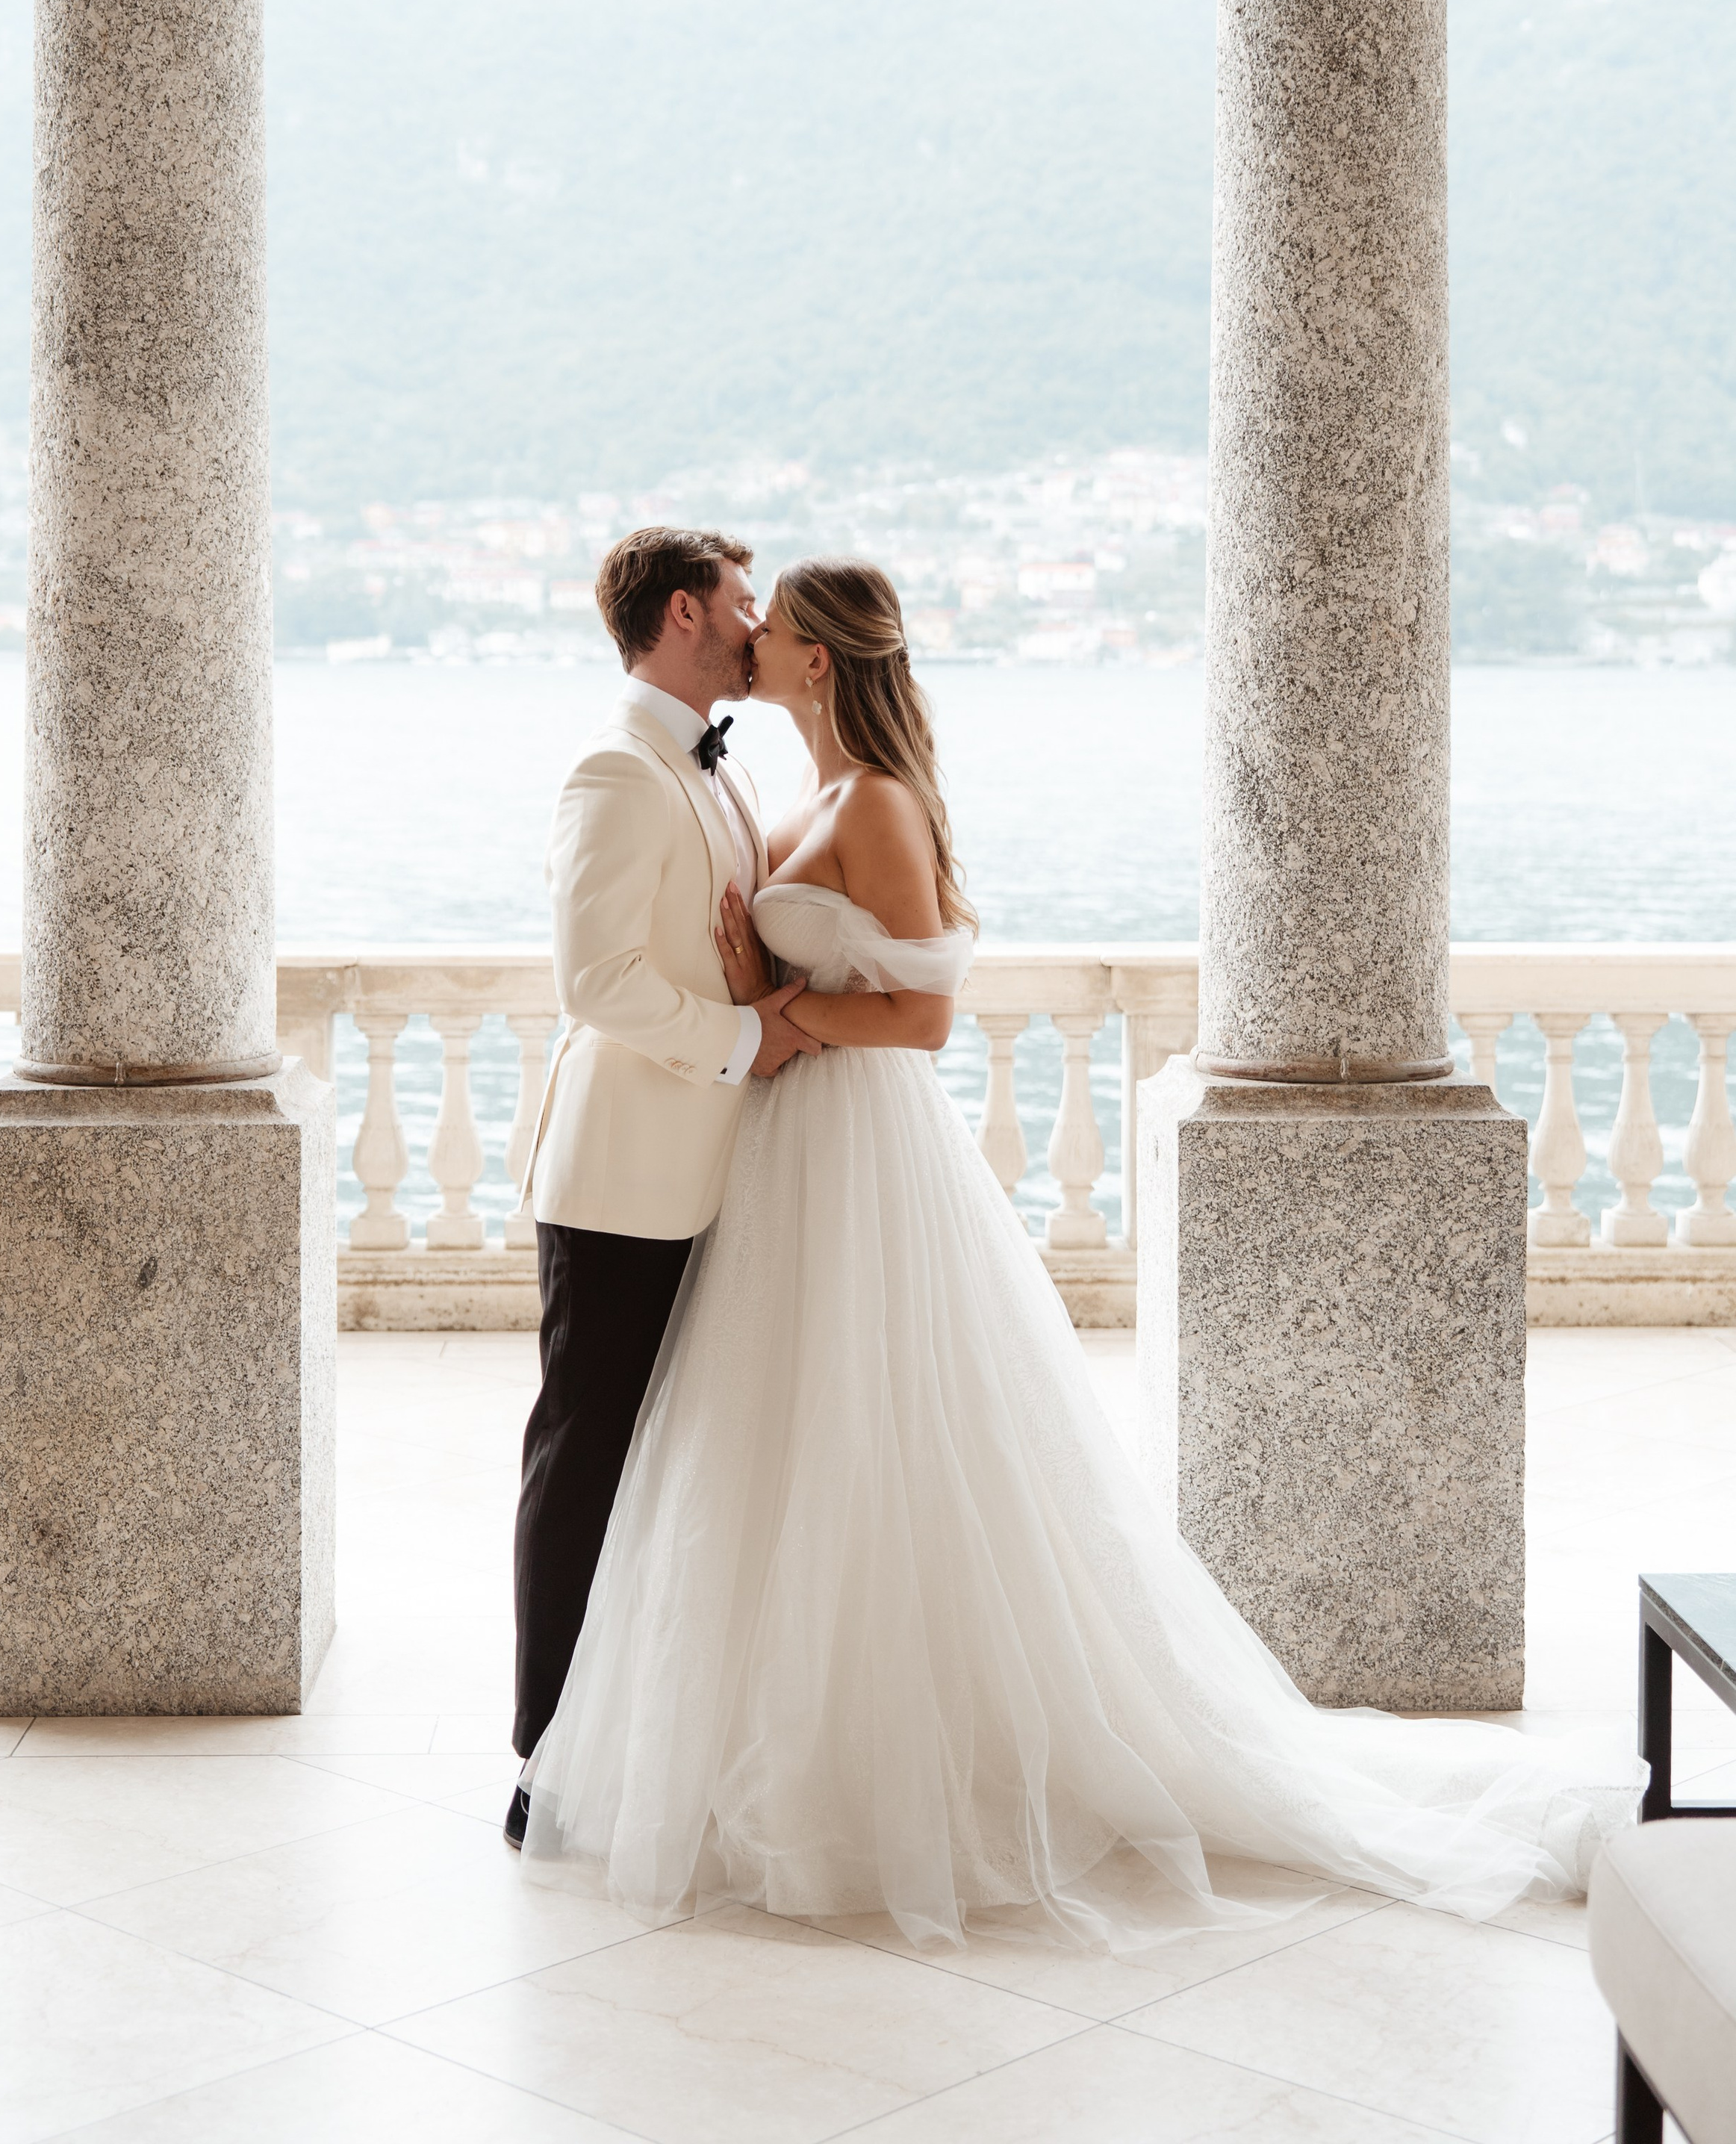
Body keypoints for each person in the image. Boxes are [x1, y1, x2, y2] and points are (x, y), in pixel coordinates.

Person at [520, 555, 1640, 1949]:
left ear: (818, 659)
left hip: (845, 1134)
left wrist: (779, 1024)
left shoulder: (868, 800)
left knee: (871, 1438)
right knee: (754, 1442)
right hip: (769, 1145)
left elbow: (920, 1020)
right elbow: (688, 968)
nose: (754, 634)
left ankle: (847, 1759)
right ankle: (641, 1741)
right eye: (745, 607)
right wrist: (764, 1002)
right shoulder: (744, 782)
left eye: (775, 619)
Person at [505, 527, 818, 1854]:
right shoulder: (617, 769)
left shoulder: (717, 766)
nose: (757, 625)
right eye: (742, 603)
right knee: (586, 1455)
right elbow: (598, 981)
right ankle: (542, 1758)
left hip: (712, 1168)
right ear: (685, 614)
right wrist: (747, 1039)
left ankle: (644, 1735)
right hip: (623, 1175)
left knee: (675, 1461)